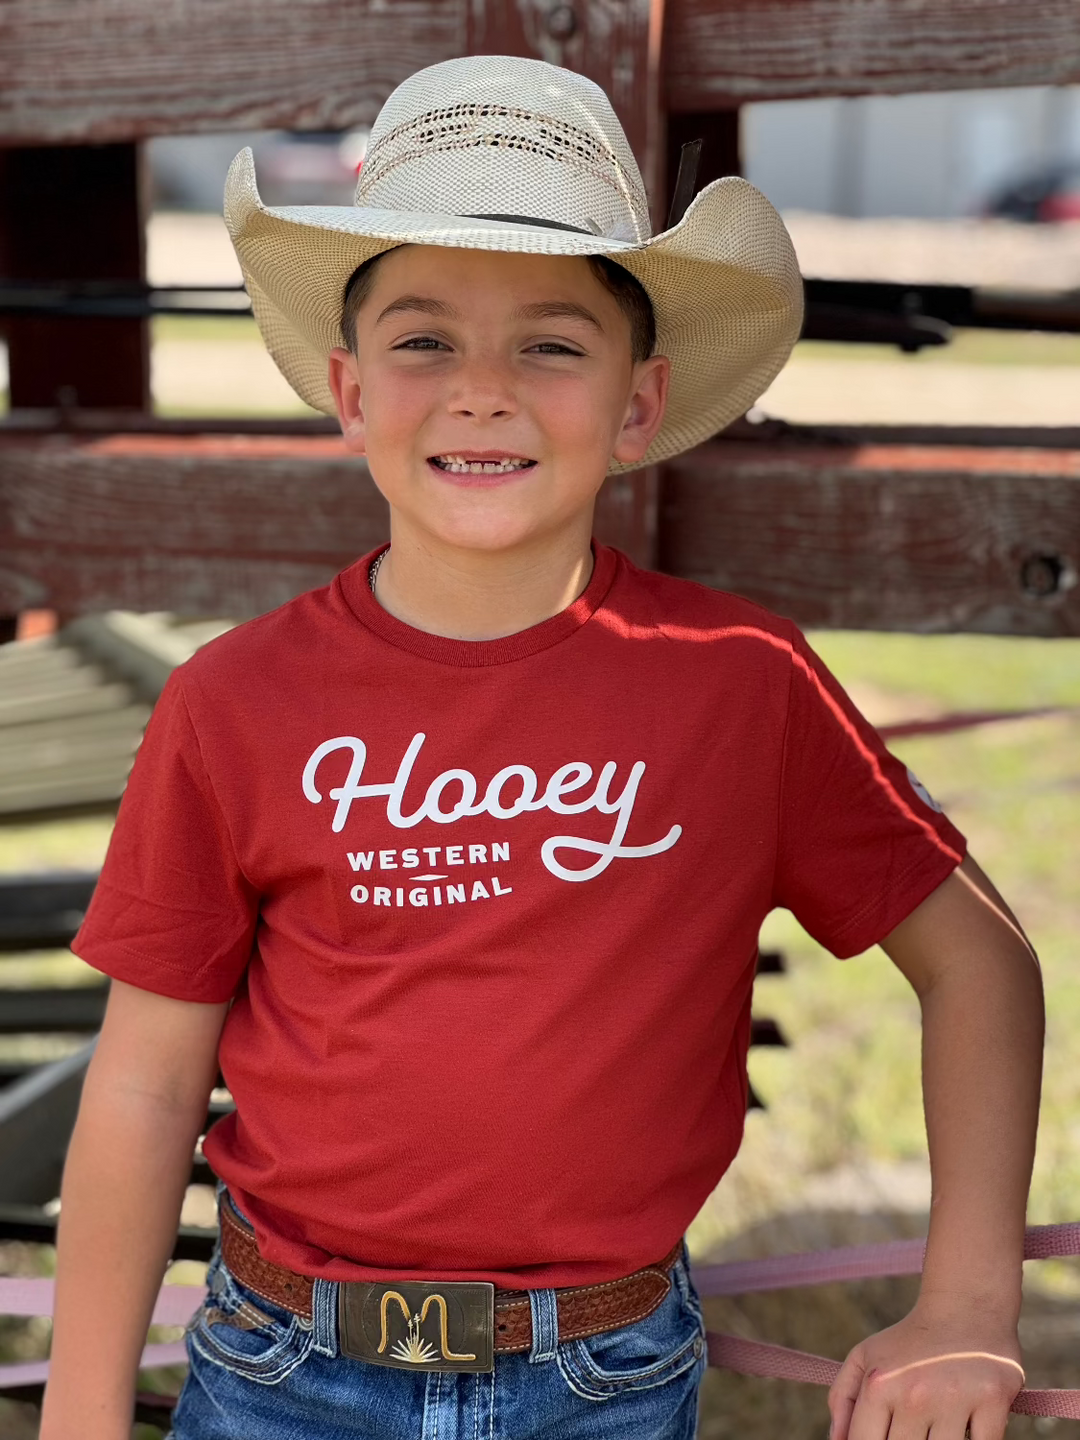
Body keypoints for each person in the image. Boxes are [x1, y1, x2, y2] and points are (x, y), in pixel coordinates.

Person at [41, 55, 1043, 1440]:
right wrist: (81, 1412)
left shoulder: (740, 684)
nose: (482, 391)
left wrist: (969, 1305)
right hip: (282, 1373)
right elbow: (148, 1084)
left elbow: (980, 963)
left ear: (639, 403)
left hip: (600, 1382)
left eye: (553, 345)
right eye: (423, 341)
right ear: (348, 390)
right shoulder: (233, 701)